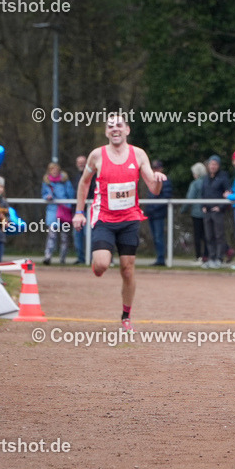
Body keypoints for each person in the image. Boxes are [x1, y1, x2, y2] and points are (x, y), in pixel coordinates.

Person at [72, 114, 166, 332]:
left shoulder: (138, 154)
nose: (115, 129)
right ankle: (98, 264)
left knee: (127, 269)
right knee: (103, 264)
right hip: (103, 217)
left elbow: (153, 188)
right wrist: (79, 212)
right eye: (110, 126)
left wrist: (159, 182)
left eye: (119, 125)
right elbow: (84, 183)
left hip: (130, 218)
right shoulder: (97, 155)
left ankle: (126, 316)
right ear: (106, 132)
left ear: (127, 130)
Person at [200, 155, 231, 268]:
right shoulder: (205, 178)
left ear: (218, 165)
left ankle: (219, 258)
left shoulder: (223, 177)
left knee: (219, 235)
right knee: (209, 236)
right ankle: (211, 257)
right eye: (211, 164)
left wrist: (220, 207)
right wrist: (203, 205)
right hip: (207, 211)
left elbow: (228, 193)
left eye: (215, 164)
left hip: (217, 211)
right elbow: (203, 193)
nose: (213, 166)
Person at [42, 162, 75, 265]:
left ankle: (63, 258)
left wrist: (68, 204)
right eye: (52, 170)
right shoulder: (46, 182)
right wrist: (47, 197)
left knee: (64, 236)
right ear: (49, 171)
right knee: (52, 235)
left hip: (64, 210)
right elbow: (43, 194)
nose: (54, 172)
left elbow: (71, 194)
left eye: (56, 169)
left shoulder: (65, 181)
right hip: (52, 210)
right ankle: (48, 256)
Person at [143, 160, 173, 266]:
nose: (155, 170)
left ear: (161, 169)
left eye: (157, 168)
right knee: (155, 237)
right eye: (154, 168)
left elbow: (166, 197)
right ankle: (159, 258)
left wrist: (153, 208)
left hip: (158, 214)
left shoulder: (165, 180)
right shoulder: (151, 180)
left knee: (159, 237)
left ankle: (161, 259)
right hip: (151, 214)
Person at [184, 162, 208, 264]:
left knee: (198, 236)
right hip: (207, 211)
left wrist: (183, 209)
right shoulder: (208, 181)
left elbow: (190, 197)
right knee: (207, 235)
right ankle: (206, 255)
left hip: (197, 213)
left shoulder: (195, 184)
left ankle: (199, 256)